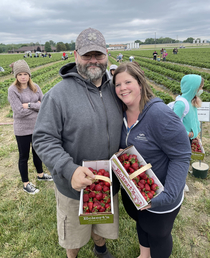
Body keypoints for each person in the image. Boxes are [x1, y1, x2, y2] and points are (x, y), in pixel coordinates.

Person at [32, 28, 123, 258]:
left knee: (101, 222)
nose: (93, 60)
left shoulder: (117, 90)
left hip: (106, 180)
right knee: (73, 233)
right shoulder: (58, 95)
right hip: (74, 184)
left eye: (98, 55)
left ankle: (100, 248)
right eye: (87, 55)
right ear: (75, 56)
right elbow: (43, 138)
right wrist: (68, 170)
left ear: (107, 54)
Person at [113, 62, 191, 258]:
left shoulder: (159, 114)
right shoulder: (120, 113)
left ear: (140, 83)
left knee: (159, 234)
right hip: (138, 190)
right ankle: (144, 255)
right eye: (117, 84)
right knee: (142, 222)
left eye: (128, 82)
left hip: (161, 194)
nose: (122, 88)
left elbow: (181, 156)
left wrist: (167, 196)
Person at [8, 60, 53, 195]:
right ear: (16, 76)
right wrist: (36, 105)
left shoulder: (36, 87)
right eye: (20, 74)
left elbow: (45, 105)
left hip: (37, 127)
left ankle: (40, 175)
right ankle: (26, 183)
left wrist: (28, 105)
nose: (23, 77)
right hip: (22, 130)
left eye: (25, 74)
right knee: (24, 156)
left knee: (37, 152)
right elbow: (18, 112)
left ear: (29, 75)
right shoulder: (13, 90)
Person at [173, 74, 204, 145]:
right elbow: (174, 125)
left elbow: (193, 120)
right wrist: (189, 134)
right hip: (182, 140)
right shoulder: (181, 104)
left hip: (189, 139)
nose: (201, 90)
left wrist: (195, 134)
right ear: (193, 88)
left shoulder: (191, 101)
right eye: (200, 88)